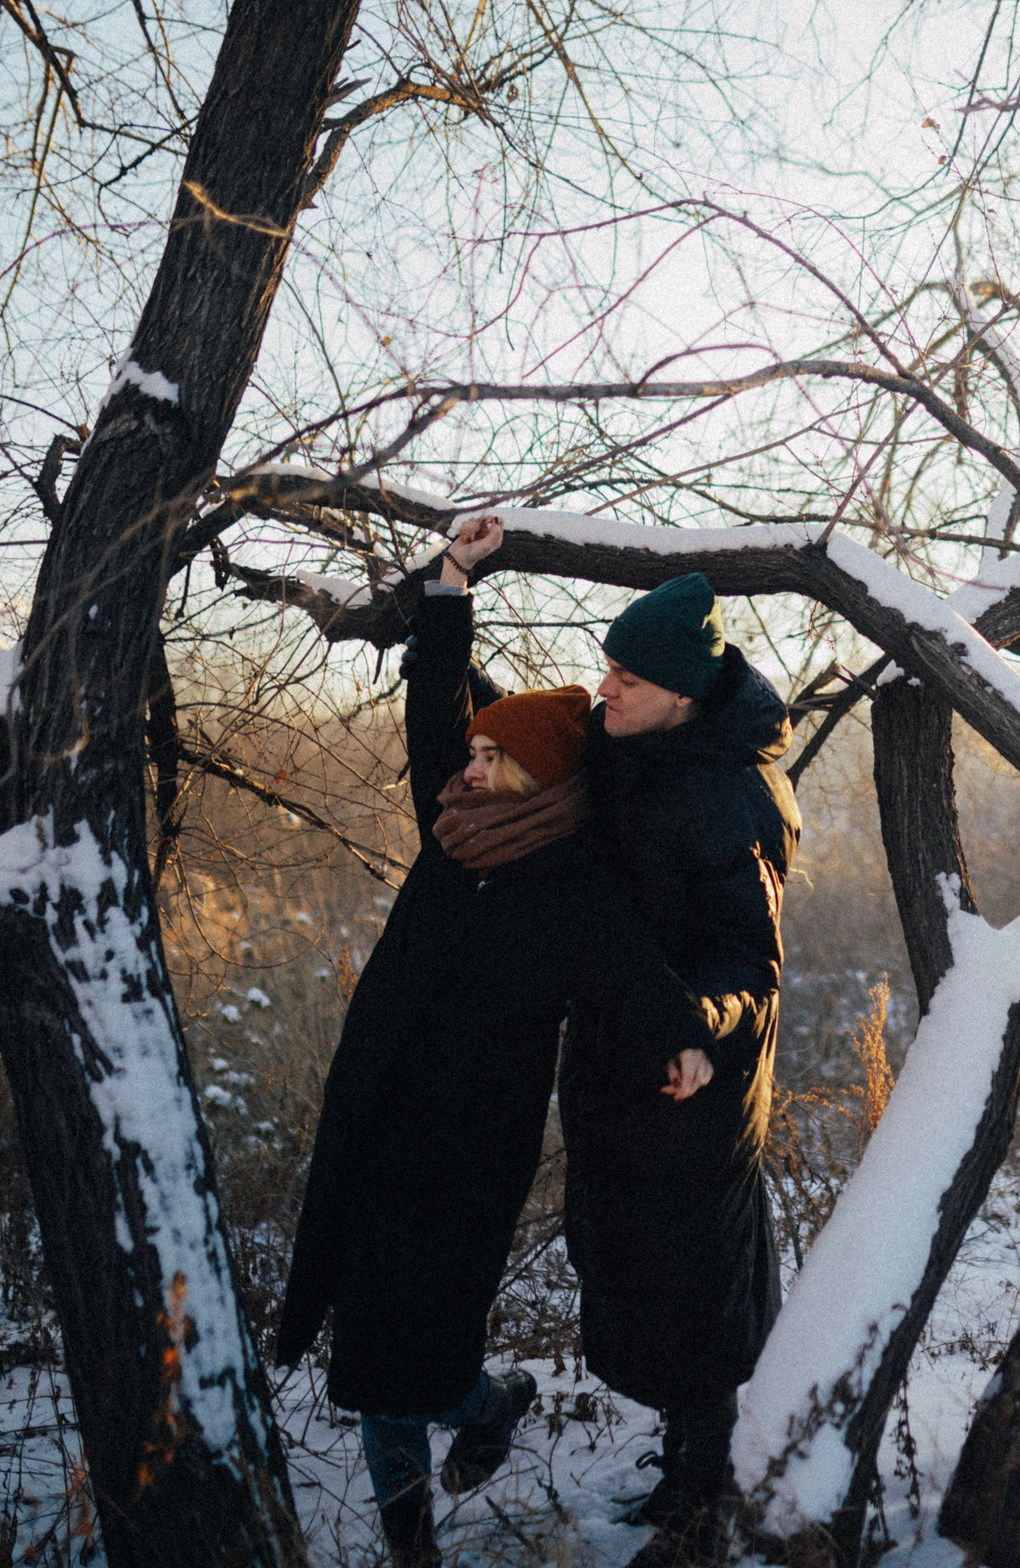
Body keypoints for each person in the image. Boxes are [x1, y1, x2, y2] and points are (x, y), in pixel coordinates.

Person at [274, 518, 587, 1568]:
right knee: (371, 1343)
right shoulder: (453, 831)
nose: (474, 763)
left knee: (424, 1337)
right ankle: (410, 1540)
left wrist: (685, 1040)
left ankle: (490, 1400)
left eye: (497, 757)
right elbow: (433, 708)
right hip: (381, 1116)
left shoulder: (565, 894)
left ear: (541, 780)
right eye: (478, 749)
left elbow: (632, 976)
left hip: (470, 1149)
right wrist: (451, 582)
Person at [560, 572, 800, 1553]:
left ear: (680, 691)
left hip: (701, 1075)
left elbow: (751, 958)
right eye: (606, 666)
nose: (603, 686)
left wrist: (696, 1027)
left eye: (623, 672)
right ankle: (684, 1471)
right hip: (630, 1064)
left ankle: (705, 1502)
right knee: (640, 1264)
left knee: (695, 1280)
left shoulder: (731, 791)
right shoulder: (636, 750)